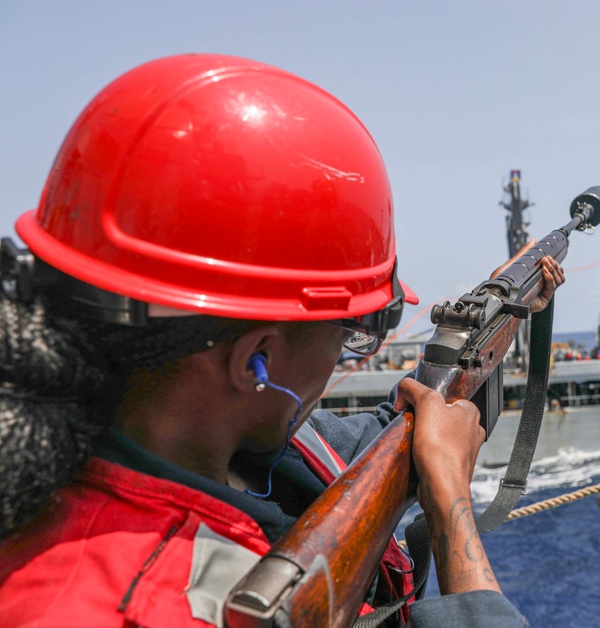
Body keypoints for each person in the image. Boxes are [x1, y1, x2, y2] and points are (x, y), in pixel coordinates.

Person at [0, 53, 564, 627]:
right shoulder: (139, 609)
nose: (343, 354)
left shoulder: (216, 441)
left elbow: (380, 435)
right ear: (256, 363)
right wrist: (450, 502)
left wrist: (502, 316)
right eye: (350, 333)